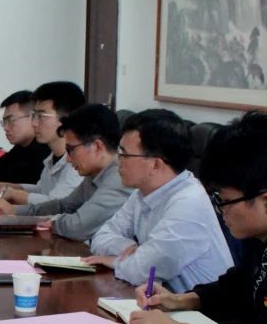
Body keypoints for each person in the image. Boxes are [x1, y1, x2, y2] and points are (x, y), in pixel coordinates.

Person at [130, 111, 267, 324]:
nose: (220, 210)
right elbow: (239, 284)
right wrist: (182, 300)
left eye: (224, 200)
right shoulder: (262, 235)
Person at [87, 109, 232, 290]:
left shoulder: (189, 201)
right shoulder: (142, 193)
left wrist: (116, 261)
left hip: (195, 305)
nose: (117, 161)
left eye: (124, 155)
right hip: (156, 297)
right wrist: (132, 248)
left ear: (155, 164)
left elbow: (145, 270)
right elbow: (101, 237)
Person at [0, 104, 133, 241]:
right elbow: (63, 206)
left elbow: (78, 226)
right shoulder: (95, 173)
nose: (68, 159)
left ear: (97, 147)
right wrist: (15, 211)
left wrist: (51, 222)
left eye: (71, 150)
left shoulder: (119, 178)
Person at [0, 81, 85, 203]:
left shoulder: (78, 163)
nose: (34, 123)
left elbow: (55, 204)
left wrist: (15, 195)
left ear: (67, 118)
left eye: (41, 116)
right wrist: (0, 187)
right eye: (34, 116)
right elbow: (40, 190)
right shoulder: (52, 158)